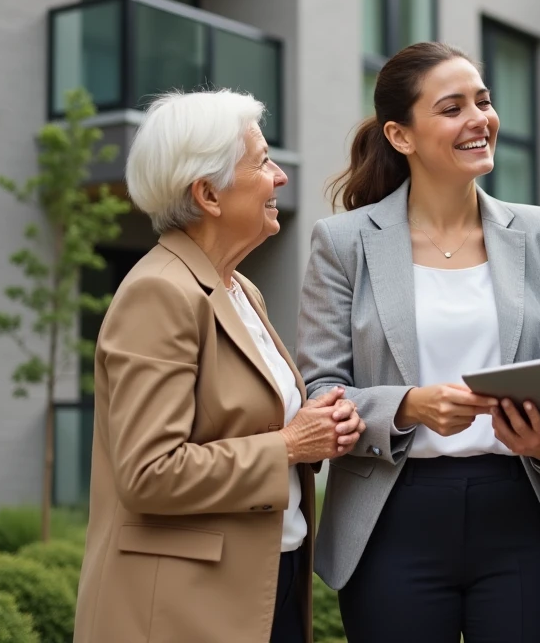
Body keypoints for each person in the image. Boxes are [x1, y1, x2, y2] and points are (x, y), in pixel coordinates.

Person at [297, 42, 540, 643]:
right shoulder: (343, 242)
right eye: (452, 108)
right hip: (391, 517)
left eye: (483, 101)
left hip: (523, 516)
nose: (480, 120)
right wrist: (409, 407)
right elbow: (321, 391)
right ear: (401, 136)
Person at [73, 89, 364, 643]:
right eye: (262, 162)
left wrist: (320, 429)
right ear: (207, 194)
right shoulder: (159, 292)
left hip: (264, 581)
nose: (280, 176)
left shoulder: (238, 288)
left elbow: (254, 428)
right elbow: (149, 473)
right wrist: (289, 445)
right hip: (186, 606)